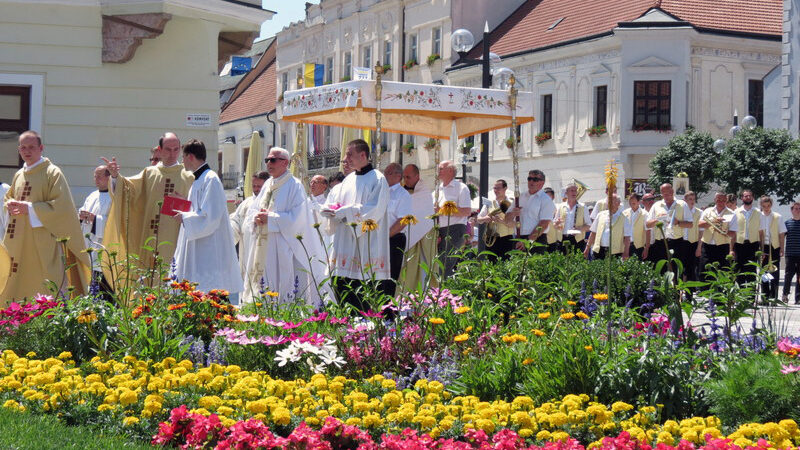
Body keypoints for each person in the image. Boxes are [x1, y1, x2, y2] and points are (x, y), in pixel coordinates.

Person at [0, 130, 90, 304]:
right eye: (23, 148)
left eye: (32, 147)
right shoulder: (19, 175)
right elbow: (8, 198)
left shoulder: (52, 173)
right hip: (19, 242)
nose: (27, 151)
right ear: (19, 150)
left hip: (43, 243)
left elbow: (62, 208)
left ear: (41, 148)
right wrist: (9, 204)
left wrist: (30, 209)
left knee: (45, 286)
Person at [102, 132, 194, 292]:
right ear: (159, 150)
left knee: (170, 284)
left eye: (176, 149)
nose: (172, 154)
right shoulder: (149, 173)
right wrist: (116, 176)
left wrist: (186, 203)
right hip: (149, 240)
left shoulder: (189, 176)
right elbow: (127, 191)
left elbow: (198, 209)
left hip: (175, 242)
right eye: (168, 149)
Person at [244, 147, 330, 305]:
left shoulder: (294, 186)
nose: (269, 163)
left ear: (285, 163)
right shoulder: (268, 185)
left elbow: (297, 219)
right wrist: (255, 218)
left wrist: (270, 219)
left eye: (273, 160)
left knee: (283, 288)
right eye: (267, 160)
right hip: (263, 245)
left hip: (282, 245)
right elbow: (253, 210)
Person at [321, 139, 389, 310]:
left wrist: (347, 212)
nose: (346, 158)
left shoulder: (378, 179)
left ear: (363, 155)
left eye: (349, 154)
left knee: (362, 292)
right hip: (344, 241)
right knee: (342, 287)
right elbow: (338, 204)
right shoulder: (348, 179)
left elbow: (374, 210)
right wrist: (331, 211)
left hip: (366, 241)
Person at [172, 140, 242, 295]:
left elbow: (211, 217)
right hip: (198, 245)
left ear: (190, 156)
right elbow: (199, 209)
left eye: (183, 156)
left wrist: (184, 217)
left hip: (209, 248)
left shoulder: (210, 179)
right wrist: (183, 204)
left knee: (211, 294)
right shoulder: (199, 179)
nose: (182, 161)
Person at [397, 164, 436, 295]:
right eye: (404, 177)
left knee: (424, 268)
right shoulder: (402, 191)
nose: (405, 180)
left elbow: (423, 214)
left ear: (417, 176)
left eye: (408, 177)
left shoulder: (424, 192)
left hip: (424, 237)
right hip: (407, 235)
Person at [434, 160, 472, 277]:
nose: (438, 171)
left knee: (445, 263)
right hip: (439, 230)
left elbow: (466, 211)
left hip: (455, 229)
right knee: (437, 263)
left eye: (441, 168)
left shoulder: (461, 188)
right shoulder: (437, 189)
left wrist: (442, 210)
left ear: (450, 171)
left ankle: (445, 291)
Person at [230, 171, 269, 280]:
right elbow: (236, 220)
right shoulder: (246, 203)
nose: (256, 189)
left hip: (264, 250)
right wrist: (232, 225)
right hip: (246, 249)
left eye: (259, 186)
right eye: (254, 186)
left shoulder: (271, 202)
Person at [381, 163, 413, 297]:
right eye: (385, 172)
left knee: (389, 277)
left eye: (388, 172)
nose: (384, 175)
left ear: (398, 176)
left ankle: (388, 313)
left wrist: (385, 236)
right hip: (379, 238)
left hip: (393, 239)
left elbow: (403, 220)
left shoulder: (403, 194)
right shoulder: (380, 192)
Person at [79, 165, 112, 290]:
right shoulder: (92, 195)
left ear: (108, 178)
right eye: (95, 176)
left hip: (101, 245)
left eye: (99, 177)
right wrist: (81, 215)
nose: (96, 179)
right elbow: (83, 210)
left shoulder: (113, 197)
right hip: (88, 242)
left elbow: (113, 223)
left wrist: (95, 219)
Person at [646, 183, 692, 268]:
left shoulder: (682, 204)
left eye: (667, 193)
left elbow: (690, 224)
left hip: (677, 242)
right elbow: (648, 224)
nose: (665, 196)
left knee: (677, 270)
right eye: (663, 193)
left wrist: (678, 222)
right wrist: (657, 220)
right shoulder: (656, 205)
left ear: (672, 191)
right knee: (661, 270)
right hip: (660, 243)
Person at [510, 169, 555, 254]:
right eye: (529, 179)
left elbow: (544, 224)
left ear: (542, 183)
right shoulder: (520, 197)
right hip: (518, 238)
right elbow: (507, 219)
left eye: (535, 179)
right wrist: (512, 214)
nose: (531, 181)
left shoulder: (546, 200)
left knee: (534, 266)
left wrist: (528, 241)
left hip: (536, 239)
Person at [698, 192, 736, 281]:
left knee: (722, 271)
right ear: (715, 200)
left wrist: (724, 232)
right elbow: (700, 224)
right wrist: (714, 220)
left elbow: (733, 233)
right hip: (707, 245)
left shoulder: (731, 213)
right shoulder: (708, 211)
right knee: (705, 269)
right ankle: (705, 291)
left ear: (726, 201)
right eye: (718, 199)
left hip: (722, 246)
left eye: (723, 200)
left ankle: (719, 292)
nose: (720, 202)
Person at [476, 179, 515, 260]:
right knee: (491, 262)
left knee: (505, 263)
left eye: (498, 188)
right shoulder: (489, 202)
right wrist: (485, 218)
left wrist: (502, 221)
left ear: (505, 188)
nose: (496, 190)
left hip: (506, 238)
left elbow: (515, 224)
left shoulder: (510, 203)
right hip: (491, 238)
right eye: (494, 188)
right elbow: (478, 219)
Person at [732, 189, 764, 284]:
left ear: (753, 198)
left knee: (751, 272)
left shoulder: (758, 213)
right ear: (742, 198)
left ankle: (751, 298)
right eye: (746, 196)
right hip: (739, 245)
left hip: (753, 245)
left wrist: (761, 249)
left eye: (750, 196)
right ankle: (740, 297)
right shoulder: (736, 212)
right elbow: (732, 232)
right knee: (739, 272)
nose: (748, 197)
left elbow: (761, 232)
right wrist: (731, 249)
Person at [584, 194, 631, 260]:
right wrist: (587, 248)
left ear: (618, 203)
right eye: (608, 201)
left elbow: (627, 237)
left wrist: (626, 252)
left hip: (615, 252)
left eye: (612, 201)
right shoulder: (600, 215)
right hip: (599, 250)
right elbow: (593, 232)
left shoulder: (624, 217)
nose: (609, 203)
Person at [548, 183, 591, 253]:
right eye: (572, 190)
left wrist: (579, 229)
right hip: (562, 240)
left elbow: (589, 226)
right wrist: (557, 223)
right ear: (566, 193)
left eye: (575, 191)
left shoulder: (583, 207)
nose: (574, 192)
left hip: (578, 241)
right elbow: (555, 224)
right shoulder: (561, 206)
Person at [760, 195, 785, 301]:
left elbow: (782, 234)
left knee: (775, 271)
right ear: (761, 205)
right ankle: (765, 296)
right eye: (764, 206)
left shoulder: (778, 216)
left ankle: (773, 296)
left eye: (768, 205)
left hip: (774, 246)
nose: (766, 208)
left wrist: (782, 248)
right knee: (763, 272)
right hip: (763, 247)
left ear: (771, 205)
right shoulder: (758, 216)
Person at [682, 191, 702, 282]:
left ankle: (690, 293)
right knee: (680, 267)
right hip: (681, 242)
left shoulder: (699, 212)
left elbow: (701, 231)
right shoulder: (680, 211)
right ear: (684, 200)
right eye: (690, 199)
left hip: (693, 243)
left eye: (694, 199)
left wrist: (699, 247)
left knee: (691, 268)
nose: (692, 201)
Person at [783, 202, 800, 304]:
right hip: (790, 254)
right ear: (792, 210)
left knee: (799, 276)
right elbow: (782, 237)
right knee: (788, 275)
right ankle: (785, 295)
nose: (798, 210)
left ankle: (798, 298)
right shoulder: (787, 223)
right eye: (796, 208)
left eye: (799, 209)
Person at [623, 193, 649, 260]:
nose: (631, 205)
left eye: (633, 203)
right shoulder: (624, 213)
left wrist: (646, 248)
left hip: (639, 247)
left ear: (639, 202)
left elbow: (648, 232)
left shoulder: (645, 214)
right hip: (626, 246)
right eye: (630, 203)